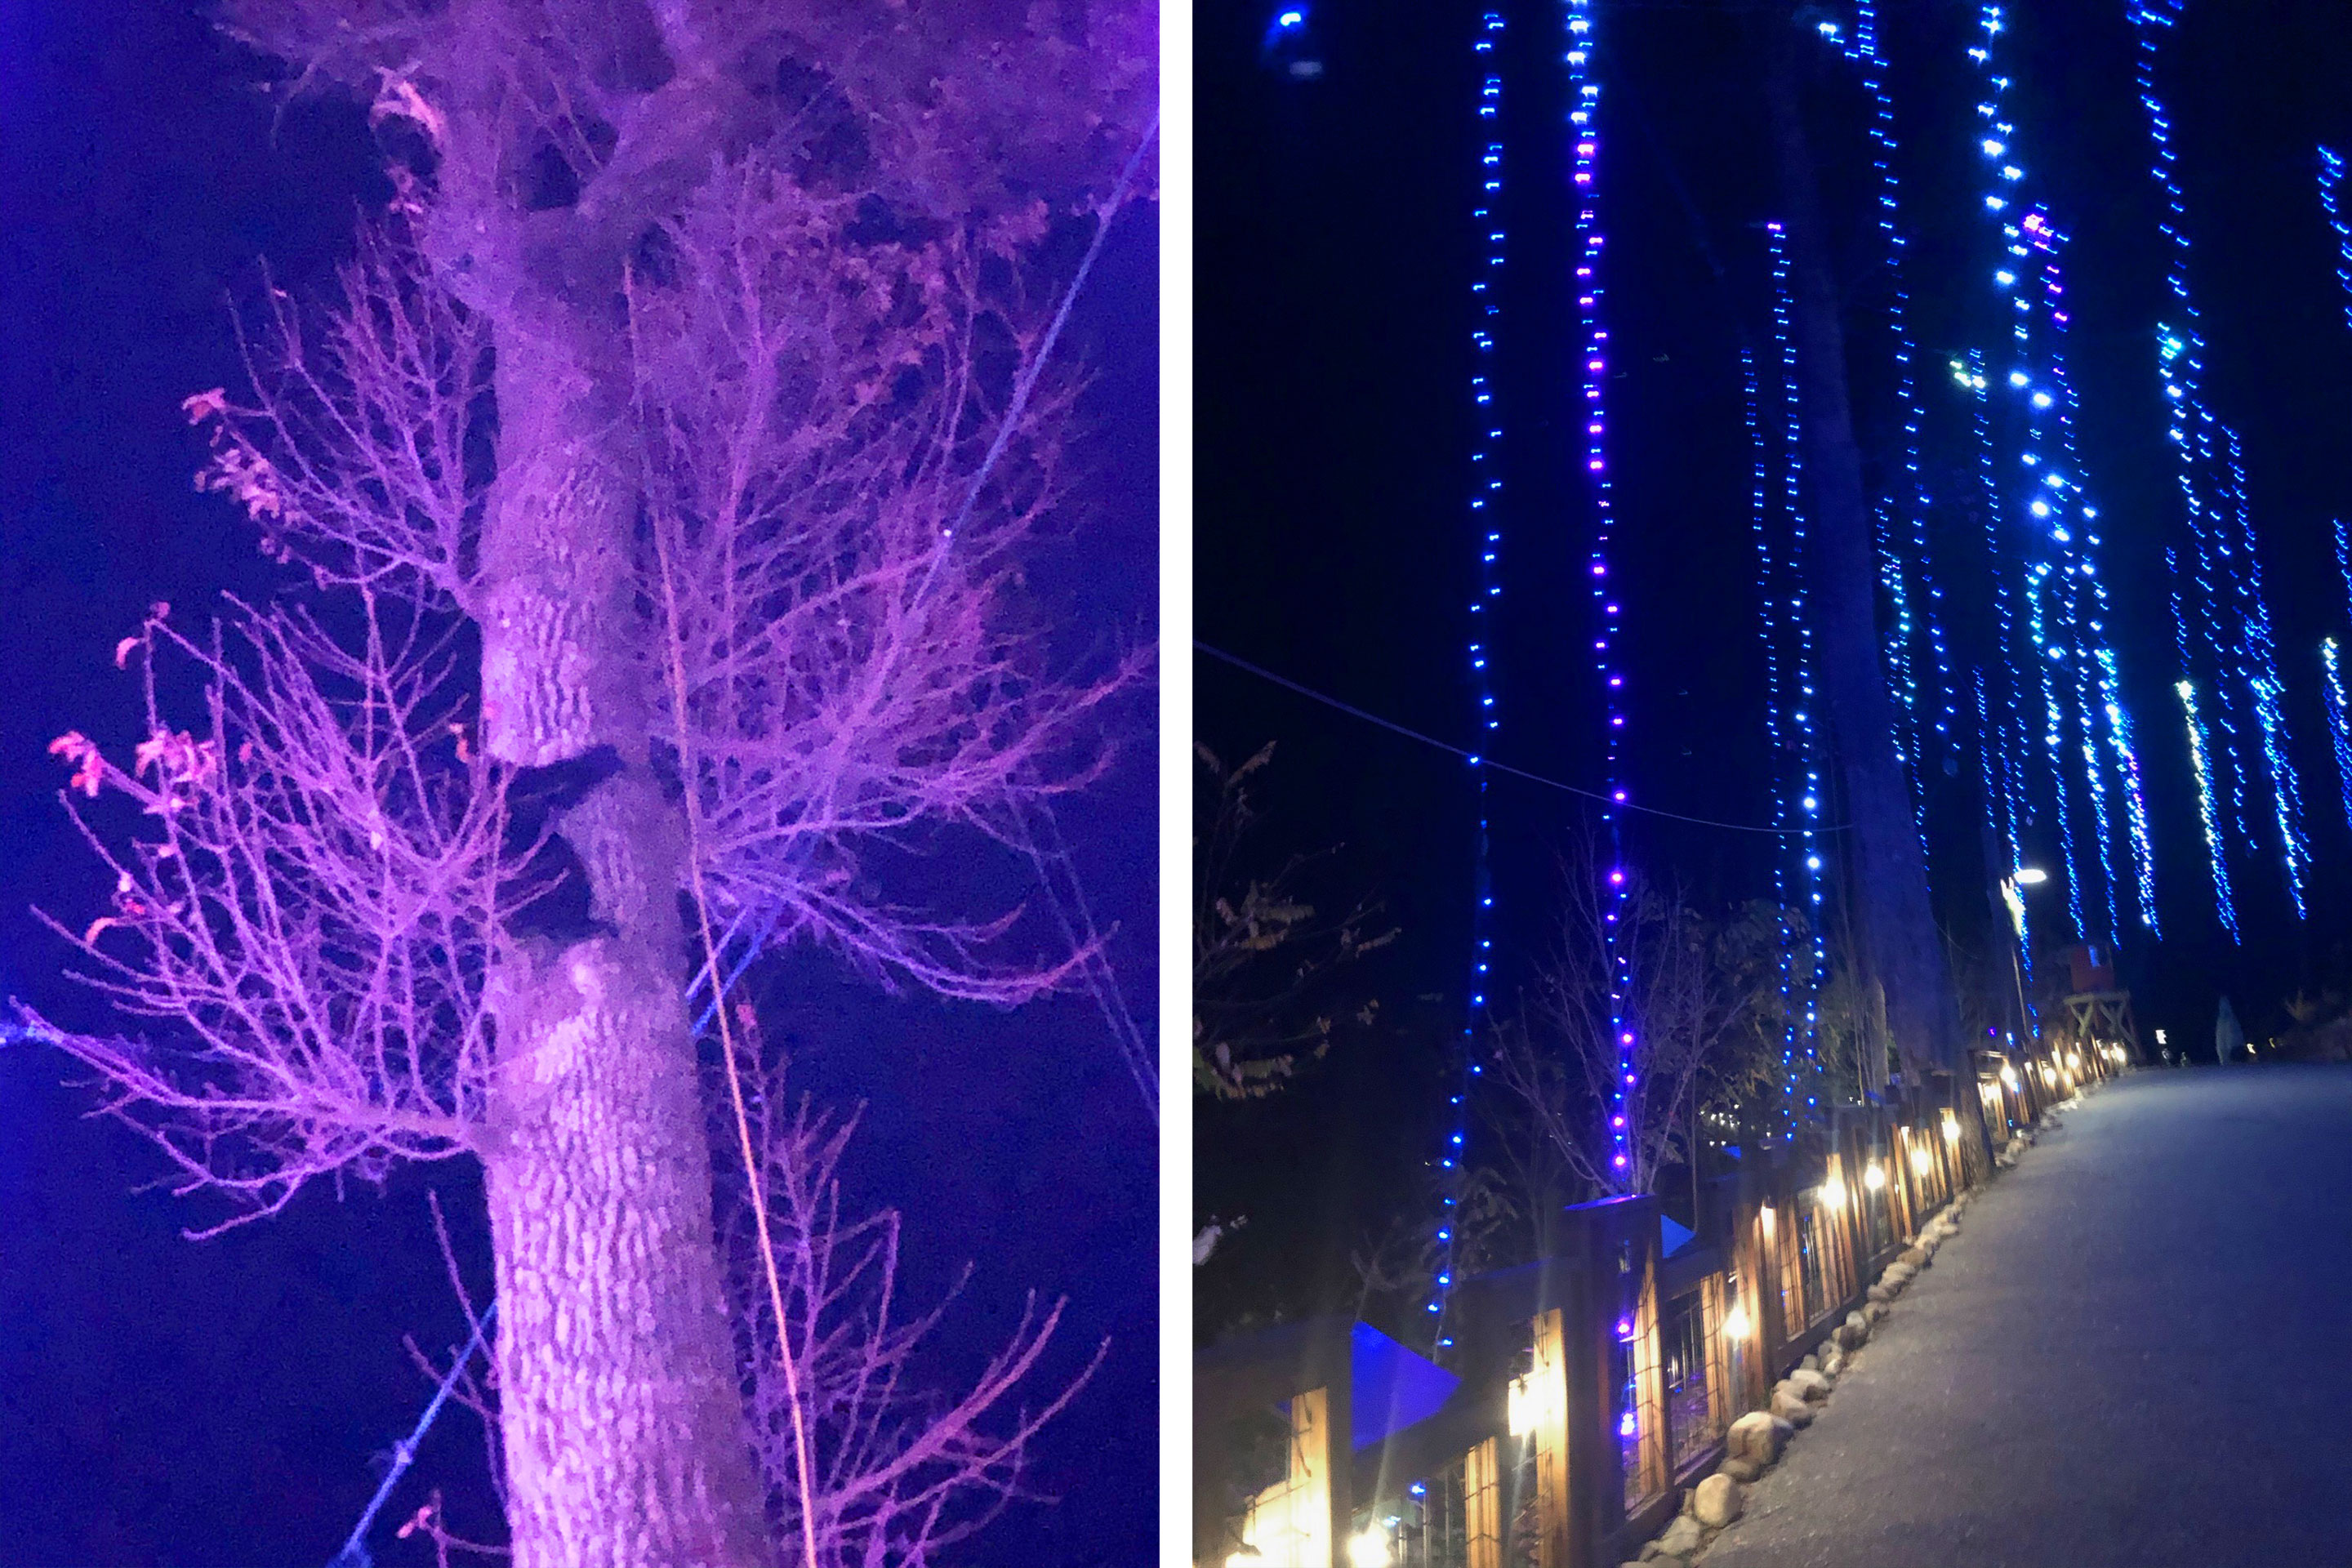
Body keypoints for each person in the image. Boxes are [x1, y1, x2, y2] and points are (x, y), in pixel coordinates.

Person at [2216, 995, 2244, 1066]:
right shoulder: (2222, 1020)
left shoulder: (2230, 1020)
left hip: (2232, 1050)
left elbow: (2232, 1035)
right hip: (2227, 1050)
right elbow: (2220, 1038)